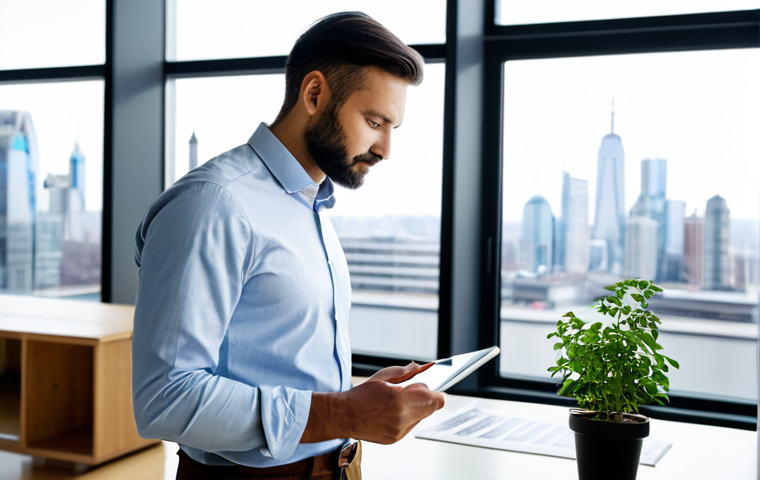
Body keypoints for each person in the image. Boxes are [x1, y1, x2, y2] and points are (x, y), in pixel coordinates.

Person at [131, 12, 445, 480]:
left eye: (391, 128)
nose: (384, 149)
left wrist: (355, 396)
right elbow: (165, 398)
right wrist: (344, 413)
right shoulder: (216, 204)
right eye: (374, 121)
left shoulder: (310, 206)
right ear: (314, 94)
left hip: (339, 467)